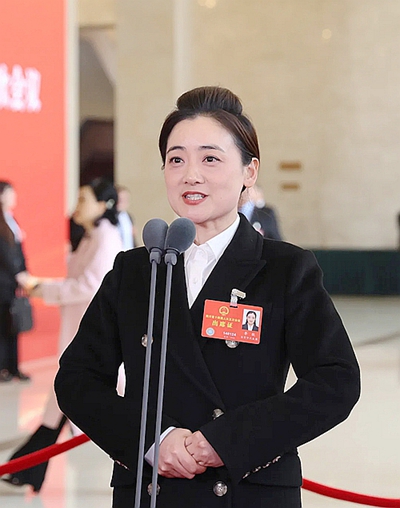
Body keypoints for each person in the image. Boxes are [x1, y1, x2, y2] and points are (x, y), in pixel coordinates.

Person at [54, 87, 360, 508]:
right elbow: (77, 378)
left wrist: (229, 440)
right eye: (176, 159)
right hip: (152, 490)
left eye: (210, 159)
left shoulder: (285, 268)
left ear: (249, 171)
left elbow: (335, 380)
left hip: (245, 489)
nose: (190, 175)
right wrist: (152, 439)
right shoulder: (135, 270)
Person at [1, 178, 123, 492]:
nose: (77, 207)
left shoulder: (106, 237)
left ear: (102, 204)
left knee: (73, 401)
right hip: (80, 332)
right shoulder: (91, 236)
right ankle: (28, 468)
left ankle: (26, 467)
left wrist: (44, 289)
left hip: (93, 337)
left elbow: (90, 285)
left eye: (83, 200)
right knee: (59, 402)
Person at [0, 181, 31, 382]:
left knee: (13, 325)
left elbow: (19, 250)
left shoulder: (11, 219)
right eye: (10, 194)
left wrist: (25, 273)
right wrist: (16, 273)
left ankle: (13, 366)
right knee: (3, 326)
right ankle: (2, 367)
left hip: (13, 283)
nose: (14, 197)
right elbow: (5, 253)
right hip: (3, 282)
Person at [116, 184, 137, 250]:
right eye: (120, 199)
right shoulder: (109, 219)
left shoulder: (129, 217)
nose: (121, 202)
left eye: (125, 199)